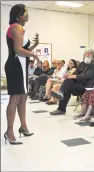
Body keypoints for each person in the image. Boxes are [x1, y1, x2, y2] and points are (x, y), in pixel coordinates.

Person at [4, 4, 40, 144]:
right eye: (25, 12)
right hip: (15, 66)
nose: (27, 15)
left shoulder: (20, 28)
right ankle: (9, 131)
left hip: (21, 65)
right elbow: (18, 51)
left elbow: (23, 50)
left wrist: (34, 45)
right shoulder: (15, 27)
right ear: (18, 15)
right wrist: (34, 55)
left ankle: (23, 127)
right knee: (15, 98)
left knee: (23, 97)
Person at [50, 49, 94, 115]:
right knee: (67, 83)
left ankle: (61, 106)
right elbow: (76, 73)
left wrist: (73, 76)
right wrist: (68, 76)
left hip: (88, 86)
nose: (88, 54)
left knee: (67, 87)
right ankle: (61, 104)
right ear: (84, 55)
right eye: (86, 53)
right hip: (79, 84)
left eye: (90, 53)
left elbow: (87, 75)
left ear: (93, 55)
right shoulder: (82, 64)